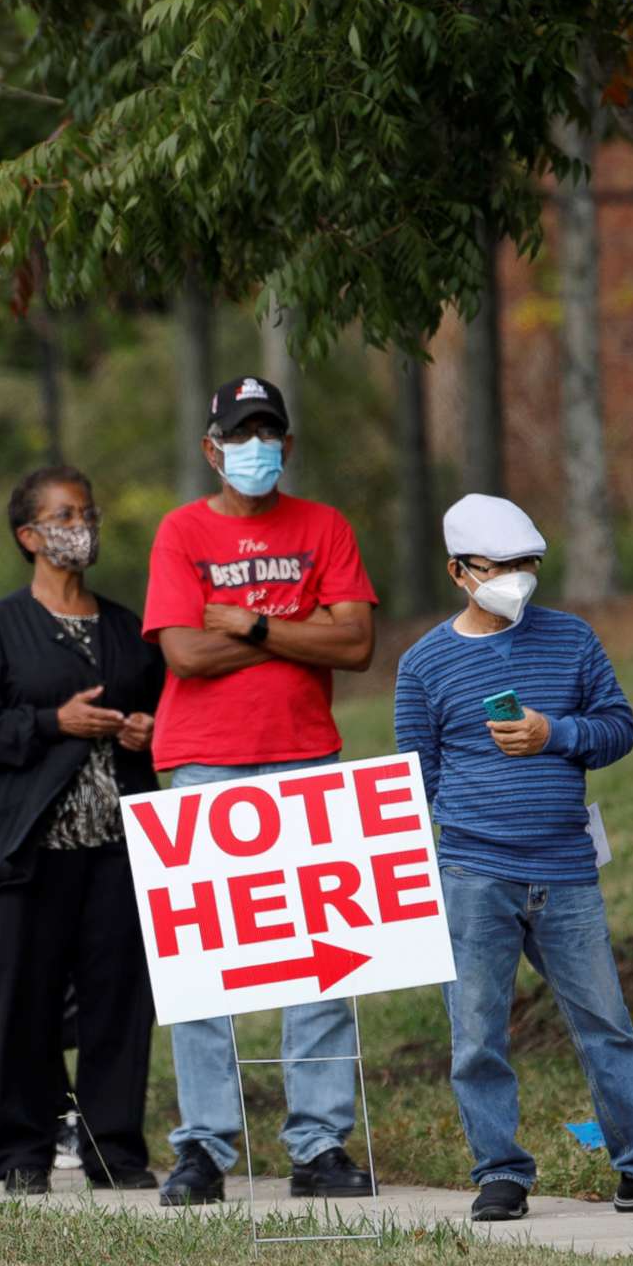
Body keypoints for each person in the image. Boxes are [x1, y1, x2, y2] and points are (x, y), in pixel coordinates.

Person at [395, 495, 633, 1222]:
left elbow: (619, 728)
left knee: (607, 1023)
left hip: (567, 868)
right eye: (498, 567)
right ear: (458, 572)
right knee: (477, 1033)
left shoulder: (572, 640)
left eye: (527, 565)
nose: (516, 578)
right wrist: (461, 835)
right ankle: (501, 1173)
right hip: (474, 872)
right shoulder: (423, 664)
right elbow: (417, 775)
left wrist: (556, 735)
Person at [141, 375, 378, 1208]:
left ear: (286, 442)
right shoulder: (180, 532)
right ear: (212, 448)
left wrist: (251, 624)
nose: (255, 448)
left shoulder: (324, 526)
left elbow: (356, 646)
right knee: (205, 965)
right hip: (204, 758)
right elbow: (183, 656)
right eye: (239, 435)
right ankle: (203, 1148)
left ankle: (317, 1146)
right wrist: (302, 637)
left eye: (267, 432)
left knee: (321, 954)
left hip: (305, 755)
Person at [0, 467, 164, 1192]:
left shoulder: (127, 629)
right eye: (65, 514)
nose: (83, 525)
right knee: (22, 1006)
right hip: (26, 854)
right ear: (30, 536)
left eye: (88, 511)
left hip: (114, 850)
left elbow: (168, 718)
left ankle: (115, 1152)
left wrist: (146, 733)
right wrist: (53, 722)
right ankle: (20, 1154)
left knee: (117, 1003)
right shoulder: (1, 627)